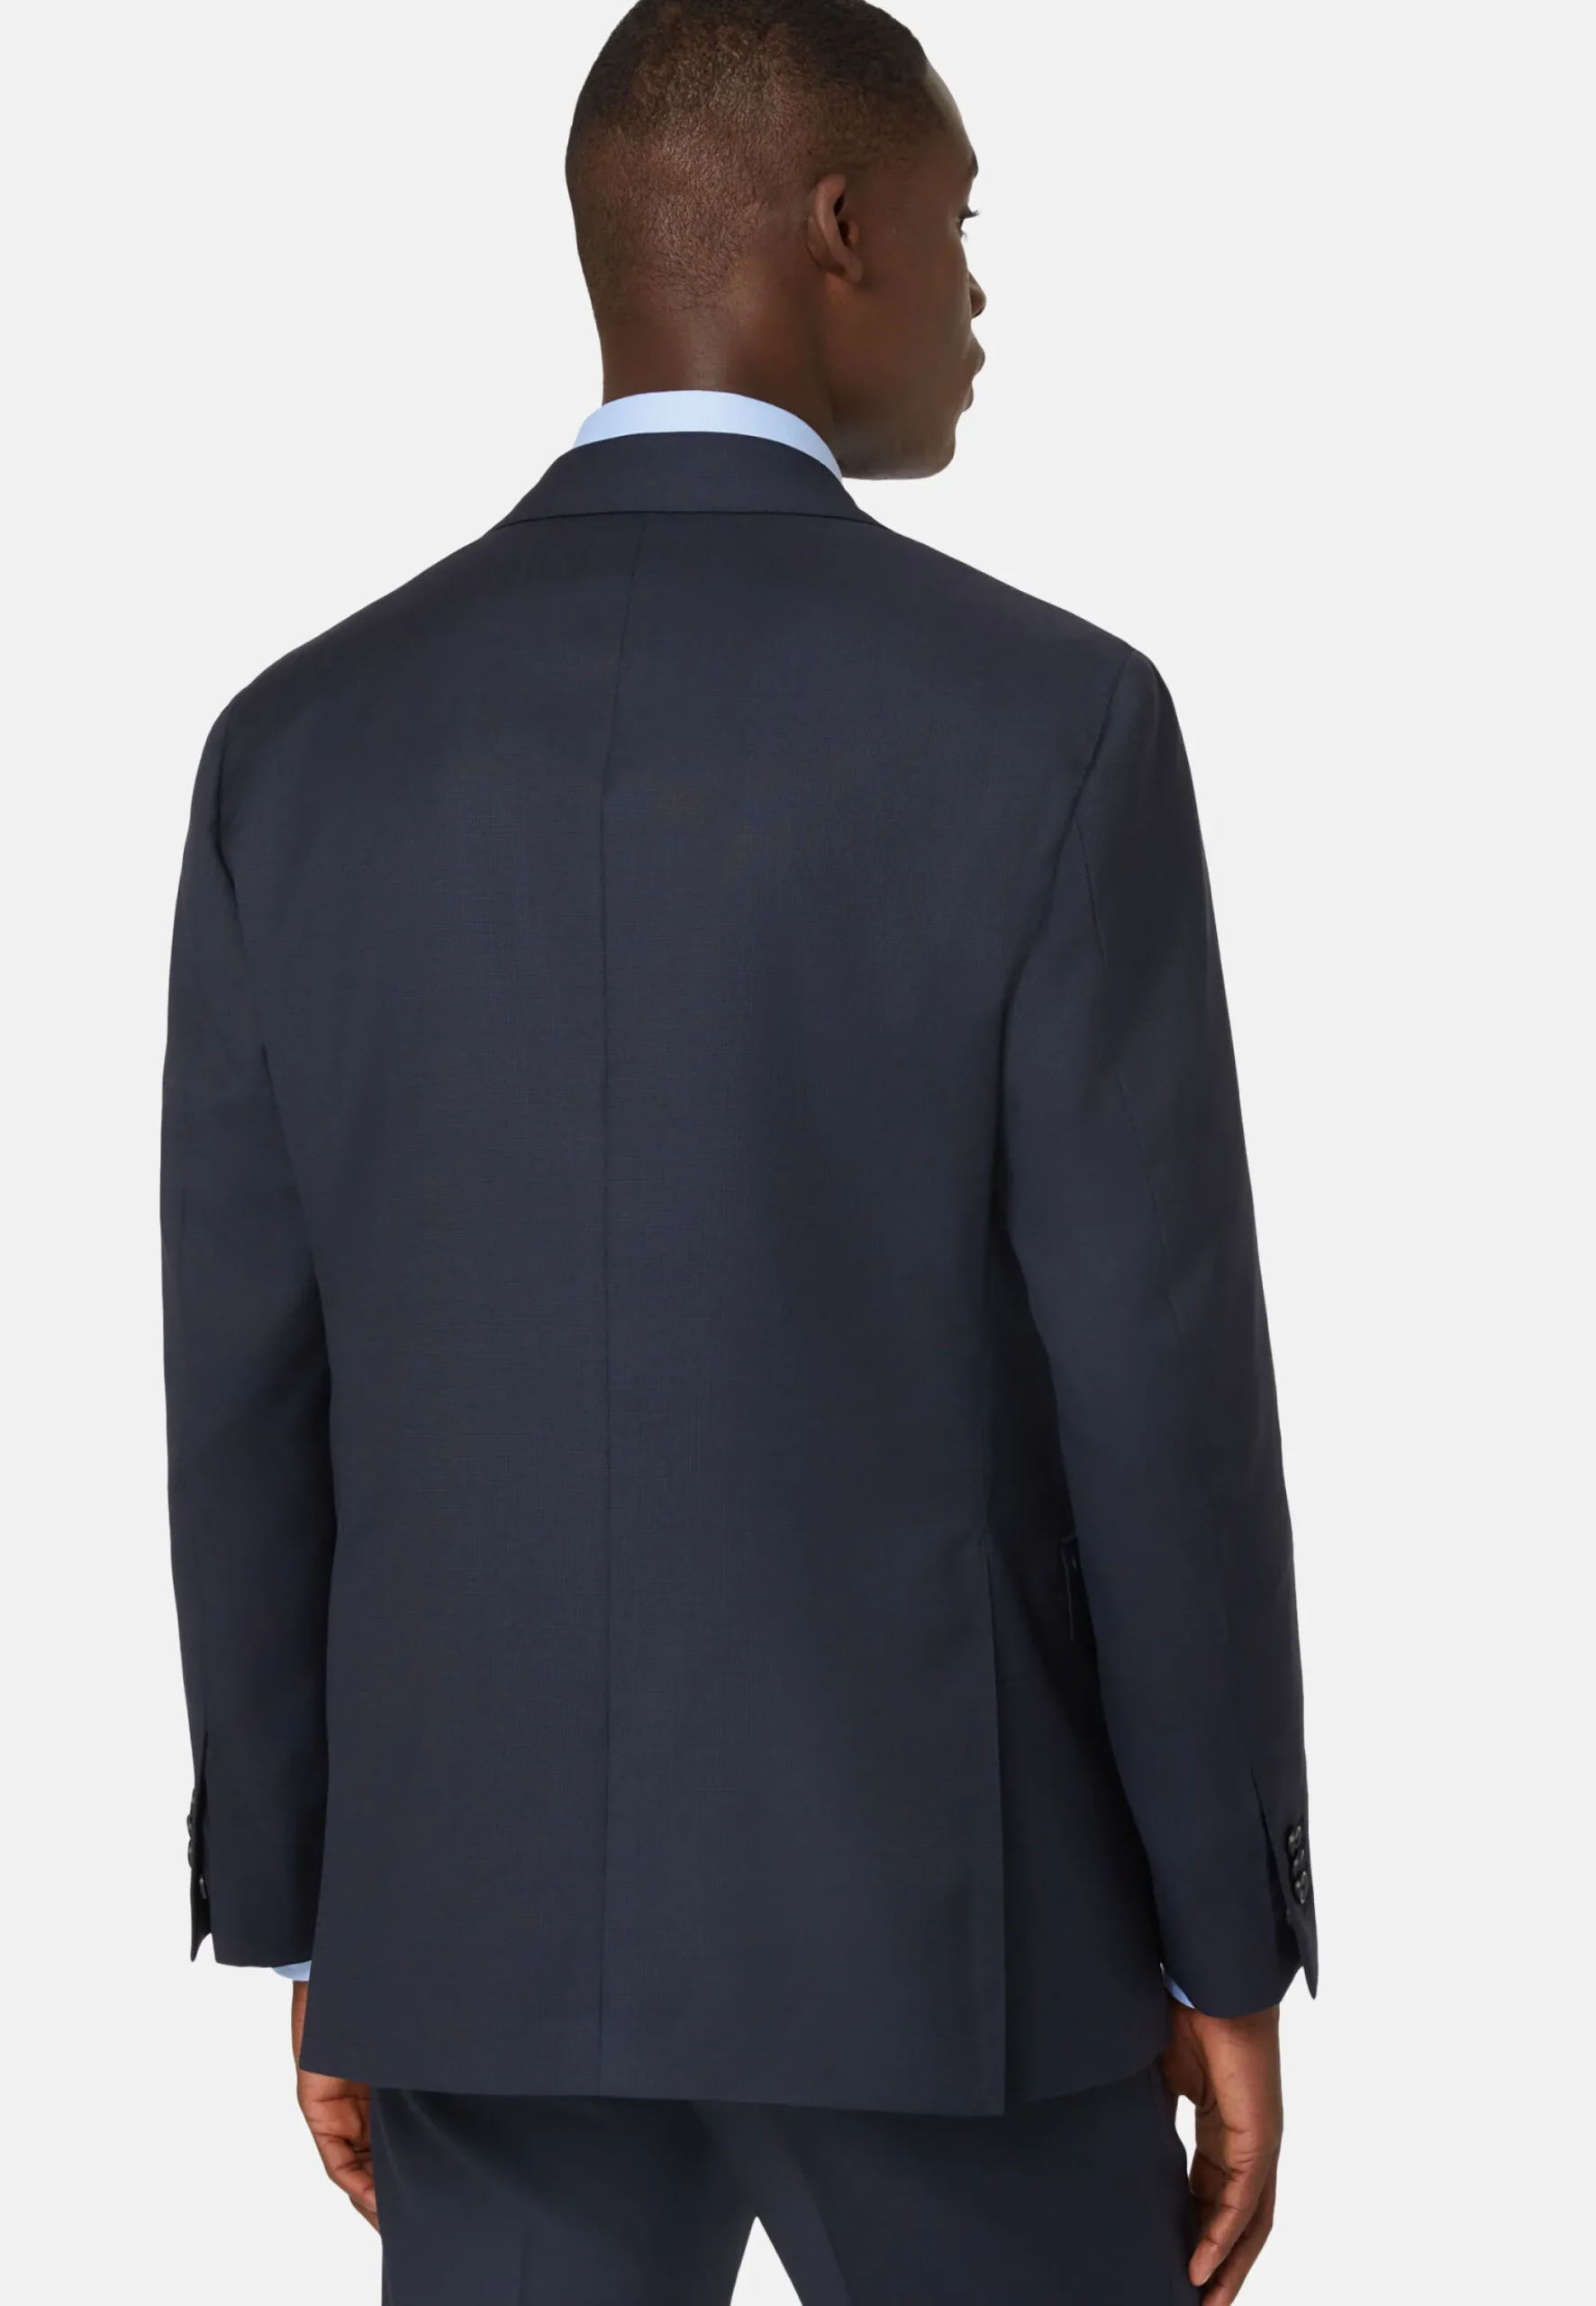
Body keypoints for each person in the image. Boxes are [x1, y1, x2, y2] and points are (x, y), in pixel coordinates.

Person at [161, 2, 1315, 2298]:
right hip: (952, 1943)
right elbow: (1152, 1382)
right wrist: (1223, 1931)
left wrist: (314, 1910)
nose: (979, 290)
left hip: (468, 1945)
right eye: (963, 223)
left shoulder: (294, 747)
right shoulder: (1056, 724)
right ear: (838, 229)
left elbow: (250, 1386)